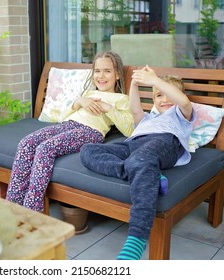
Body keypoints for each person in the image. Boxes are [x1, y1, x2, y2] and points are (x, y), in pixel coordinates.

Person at [80, 65, 195, 260]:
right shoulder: (148, 118)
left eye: (168, 94)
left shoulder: (181, 115)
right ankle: (146, 173)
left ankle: (137, 239)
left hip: (165, 142)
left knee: (141, 159)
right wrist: (134, 83)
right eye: (158, 95)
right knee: (88, 150)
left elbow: (182, 101)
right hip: (134, 145)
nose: (164, 99)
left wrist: (155, 80)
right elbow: (135, 109)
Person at [5, 51, 134, 212]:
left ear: (117, 75)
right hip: (68, 124)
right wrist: (79, 101)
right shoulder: (88, 93)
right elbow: (62, 116)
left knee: (45, 149)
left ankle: (31, 211)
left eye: (107, 71)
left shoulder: (121, 99)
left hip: (90, 131)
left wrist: (109, 108)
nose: (101, 76)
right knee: (26, 143)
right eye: (97, 71)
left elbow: (129, 129)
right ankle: (12, 207)